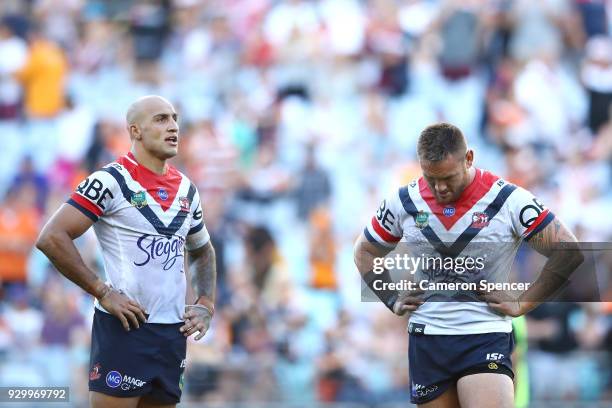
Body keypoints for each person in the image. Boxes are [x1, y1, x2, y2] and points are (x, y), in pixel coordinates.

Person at [354, 123, 584, 408]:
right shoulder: (404, 201)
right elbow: (364, 251)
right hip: (428, 338)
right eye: (431, 177)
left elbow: (569, 251)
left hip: (484, 334)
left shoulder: (507, 200)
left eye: (448, 177)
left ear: (469, 158)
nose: (440, 187)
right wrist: (392, 298)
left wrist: (523, 303)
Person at [36, 95, 217, 408]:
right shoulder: (111, 180)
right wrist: (101, 291)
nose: (173, 126)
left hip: (171, 335)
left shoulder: (188, 189)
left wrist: (205, 303)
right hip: (125, 327)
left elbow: (202, 250)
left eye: (174, 118)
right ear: (135, 131)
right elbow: (52, 237)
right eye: (161, 119)